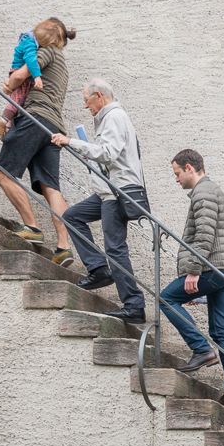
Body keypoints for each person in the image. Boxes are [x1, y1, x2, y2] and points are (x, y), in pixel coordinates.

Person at [51, 79, 149, 322]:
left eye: (87, 101)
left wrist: (71, 141)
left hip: (116, 193)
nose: (86, 107)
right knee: (72, 217)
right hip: (110, 191)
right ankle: (99, 269)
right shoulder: (112, 118)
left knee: (115, 248)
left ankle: (134, 305)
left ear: (99, 96)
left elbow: (108, 153)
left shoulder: (114, 116)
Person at [160, 148, 224, 409]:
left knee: (165, 298)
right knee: (221, 331)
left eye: (177, 173)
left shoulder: (204, 192)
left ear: (189, 167)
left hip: (213, 268)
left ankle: (200, 349)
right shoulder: (210, 191)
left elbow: (205, 234)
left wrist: (194, 270)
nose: (176, 179)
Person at [0, 17, 75, 263]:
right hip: (53, 128)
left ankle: (32, 227)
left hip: (35, 118)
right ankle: (63, 247)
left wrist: (10, 83)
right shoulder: (62, 64)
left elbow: (23, 74)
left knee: (2, 173)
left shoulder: (47, 52)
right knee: (51, 187)